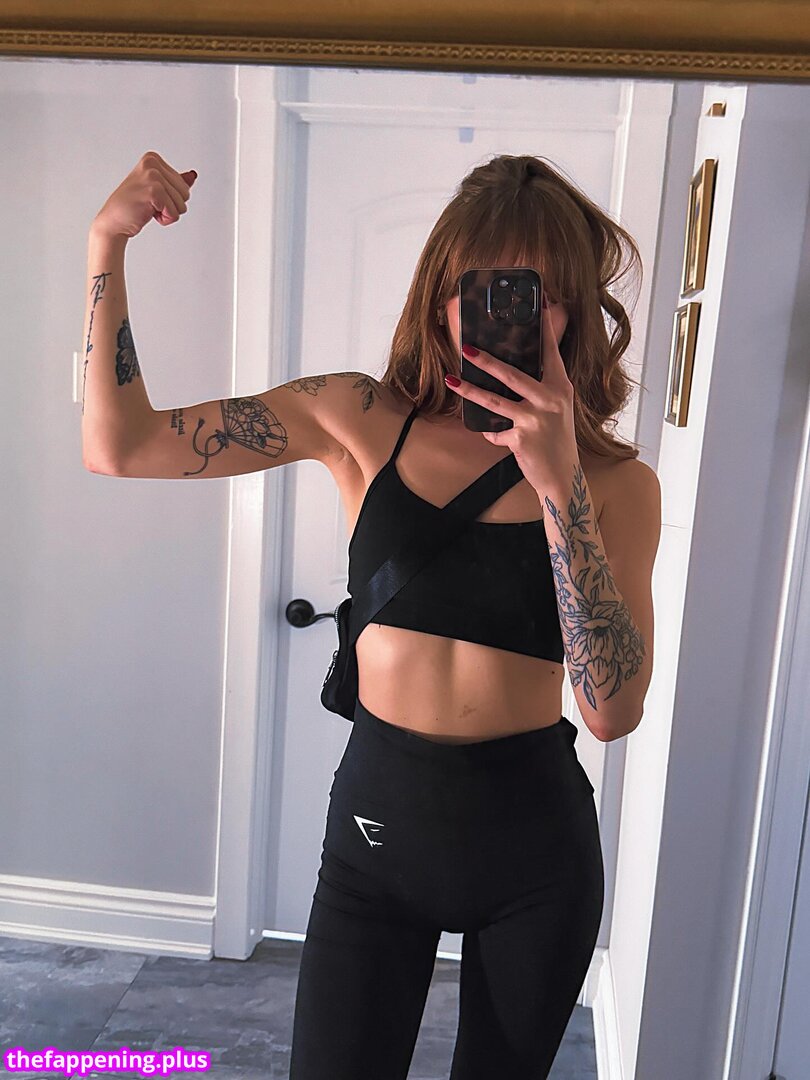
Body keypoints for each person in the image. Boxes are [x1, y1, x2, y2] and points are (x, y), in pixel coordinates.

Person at [83, 150, 661, 1079]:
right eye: (486, 289)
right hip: (375, 843)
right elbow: (121, 445)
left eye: (541, 295)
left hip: (537, 858)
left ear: (574, 315)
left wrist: (560, 484)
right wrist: (106, 242)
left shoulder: (618, 486)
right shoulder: (356, 417)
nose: (513, 318)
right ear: (441, 296)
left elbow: (611, 711)